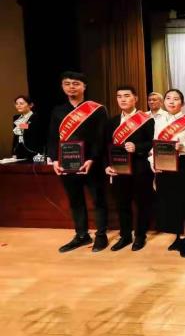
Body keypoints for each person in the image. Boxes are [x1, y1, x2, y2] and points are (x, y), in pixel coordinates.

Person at [47, 71, 109, 253]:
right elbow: (52, 137)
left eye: (76, 83)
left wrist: (92, 158)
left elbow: (101, 138)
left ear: (84, 87)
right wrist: (54, 160)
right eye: (67, 84)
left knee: (98, 200)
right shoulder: (57, 111)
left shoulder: (97, 109)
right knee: (75, 200)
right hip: (67, 163)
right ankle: (81, 235)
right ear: (62, 87)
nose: (71, 87)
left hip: (92, 163)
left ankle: (101, 235)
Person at [150, 89, 185, 258]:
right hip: (164, 165)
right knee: (169, 202)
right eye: (168, 98)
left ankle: (184, 239)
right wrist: (153, 162)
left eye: (176, 99)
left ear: (182, 103)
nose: (171, 101)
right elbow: (153, 145)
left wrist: (183, 146)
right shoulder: (157, 121)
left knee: (182, 202)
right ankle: (177, 236)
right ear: (164, 102)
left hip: (182, 165)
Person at [104, 85, 155, 251]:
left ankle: (140, 236)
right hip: (119, 169)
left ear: (135, 98)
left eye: (127, 96)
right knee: (122, 204)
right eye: (119, 96)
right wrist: (107, 165)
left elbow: (153, 143)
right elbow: (106, 146)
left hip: (140, 169)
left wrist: (137, 147)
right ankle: (125, 236)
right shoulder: (112, 122)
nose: (123, 99)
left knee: (142, 204)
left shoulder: (147, 119)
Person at [12, 95, 44, 160]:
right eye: (16, 104)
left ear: (30, 105)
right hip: (19, 151)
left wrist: (20, 125)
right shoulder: (16, 118)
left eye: (21, 103)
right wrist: (13, 151)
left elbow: (33, 129)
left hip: (33, 150)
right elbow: (16, 136)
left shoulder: (36, 116)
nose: (18, 105)